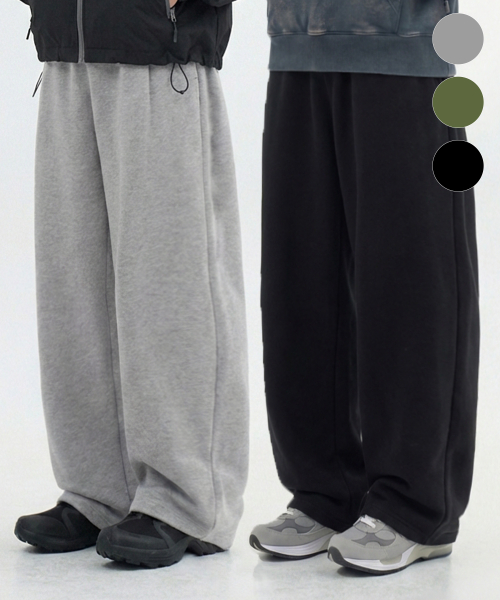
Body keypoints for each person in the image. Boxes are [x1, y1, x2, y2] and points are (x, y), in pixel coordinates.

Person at [14, 0, 249, 569]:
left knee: (170, 285)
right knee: (74, 290)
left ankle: (190, 499)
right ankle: (98, 491)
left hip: (159, 57)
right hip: (66, 52)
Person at [250, 0, 480, 575]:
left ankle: (418, 507)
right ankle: (325, 491)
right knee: (299, 283)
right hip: (297, 44)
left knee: (411, 284)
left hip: (406, 48)